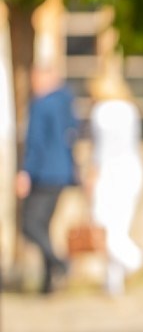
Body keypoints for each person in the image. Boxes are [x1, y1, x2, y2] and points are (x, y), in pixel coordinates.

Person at [15, 64, 77, 294]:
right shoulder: (66, 102)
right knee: (43, 226)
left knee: (30, 225)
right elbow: (72, 133)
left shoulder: (41, 104)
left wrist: (25, 172)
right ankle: (47, 283)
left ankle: (60, 263)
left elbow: (36, 142)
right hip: (61, 173)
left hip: (43, 173)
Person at [85, 73, 143, 295]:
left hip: (110, 173)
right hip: (132, 171)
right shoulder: (130, 110)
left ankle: (134, 260)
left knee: (105, 226)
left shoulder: (101, 112)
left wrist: (91, 177)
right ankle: (113, 283)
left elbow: (100, 151)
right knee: (119, 226)